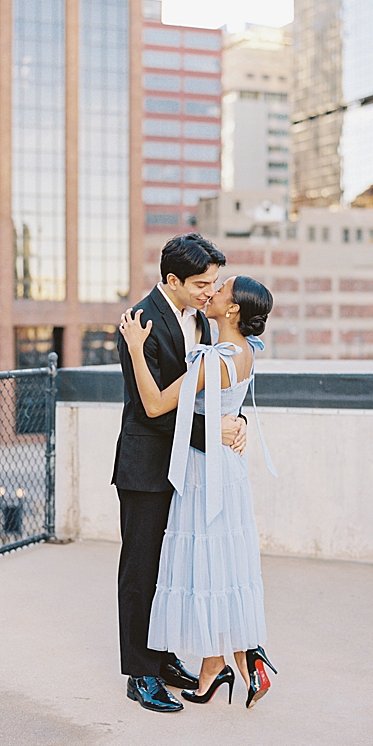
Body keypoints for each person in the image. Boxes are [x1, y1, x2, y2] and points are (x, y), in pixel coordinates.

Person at [119, 274, 279, 709]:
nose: (212, 292)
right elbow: (227, 405)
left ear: (232, 311)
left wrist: (135, 348)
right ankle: (226, 663)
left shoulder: (213, 357)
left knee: (205, 565)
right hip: (226, 469)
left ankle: (232, 662)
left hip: (203, 471)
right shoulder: (243, 351)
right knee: (223, 564)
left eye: (220, 290)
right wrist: (235, 423)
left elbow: (153, 405)